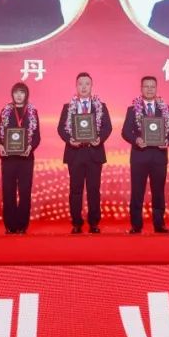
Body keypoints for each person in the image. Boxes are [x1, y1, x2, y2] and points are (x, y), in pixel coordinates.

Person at [121, 75, 169, 234]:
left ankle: (159, 225)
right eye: (146, 86)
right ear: (141, 89)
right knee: (137, 192)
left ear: (156, 88)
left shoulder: (165, 109)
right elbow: (125, 132)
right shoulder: (132, 109)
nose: (149, 89)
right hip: (139, 156)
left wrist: (167, 141)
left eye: (152, 86)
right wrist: (136, 140)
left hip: (159, 156)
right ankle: (136, 225)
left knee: (159, 192)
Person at [57, 72, 112, 233]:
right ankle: (76, 223)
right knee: (75, 190)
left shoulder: (100, 106)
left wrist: (100, 139)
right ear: (76, 86)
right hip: (75, 153)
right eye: (80, 84)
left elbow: (107, 127)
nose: (84, 87)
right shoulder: (68, 107)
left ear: (91, 86)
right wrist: (70, 140)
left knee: (94, 190)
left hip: (94, 153)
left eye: (87, 84)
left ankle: (94, 223)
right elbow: (61, 128)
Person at [0, 82, 41, 234]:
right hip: (8, 159)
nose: (19, 95)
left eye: (22, 92)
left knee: (25, 192)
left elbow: (37, 136)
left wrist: (30, 147)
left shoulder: (32, 112)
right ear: (12, 94)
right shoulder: (6, 111)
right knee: (8, 192)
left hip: (26, 159)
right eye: (16, 92)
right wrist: (0, 146)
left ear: (26, 95)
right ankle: (10, 225)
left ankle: (22, 225)